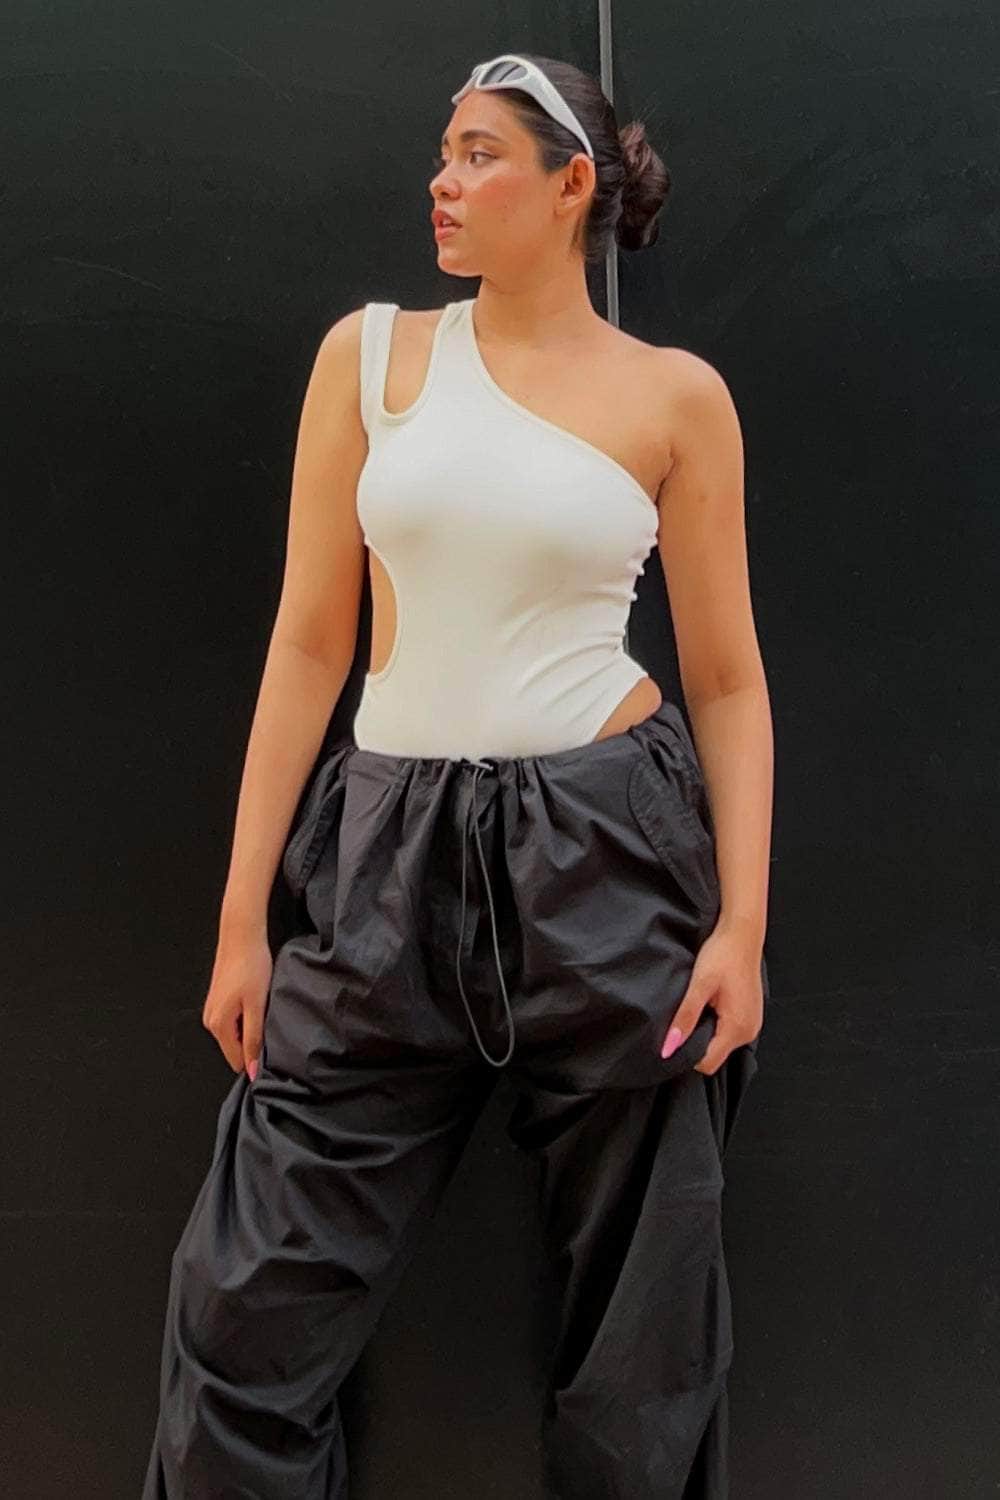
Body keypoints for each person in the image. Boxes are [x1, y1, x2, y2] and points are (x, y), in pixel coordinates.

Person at [142, 51, 773, 1500]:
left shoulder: (677, 398)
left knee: (644, 1344)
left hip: (610, 858)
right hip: (384, 860)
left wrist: (741, 925)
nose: (442, 179)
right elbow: (310, 643)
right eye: (443, 151)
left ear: (570, 187)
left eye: (480, 153)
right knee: (240, 1315)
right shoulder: (368, 359)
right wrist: (244, 918)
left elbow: (730, 682)